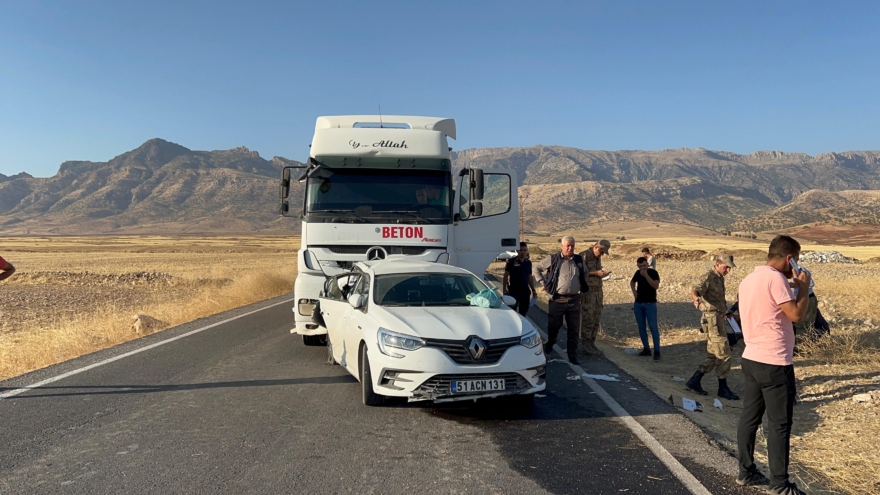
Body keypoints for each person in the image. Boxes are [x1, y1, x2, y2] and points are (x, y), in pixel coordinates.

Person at [735, 235, 811, 495]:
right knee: (779, 425)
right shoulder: (776, 279)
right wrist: (803, 287)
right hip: (775, 361)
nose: (796, 267)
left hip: (751, 357)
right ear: (789, 258)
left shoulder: (749, 279)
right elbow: (797, 315)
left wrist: (792, 284)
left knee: (749, 417)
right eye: (796, 261)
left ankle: (745, 472)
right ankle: (779, 484)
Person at [685, 253, 740, 401]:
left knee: (713, 354)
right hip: (712, 320)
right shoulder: (708, 276)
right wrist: (696, 298)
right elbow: (696, 289)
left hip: (719, 317)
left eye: (729, 268)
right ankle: (723, 388)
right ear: (717, 264)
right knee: (724, 352)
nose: (728, 270)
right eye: (726, 267)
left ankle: (694, 380)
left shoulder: (719, 278)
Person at [533, 236, 589, 365]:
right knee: (554, 325)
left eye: (572, 246)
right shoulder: (553, 259)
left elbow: (585, 272)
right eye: (568, 246)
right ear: (562, 246)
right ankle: (550, 344)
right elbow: (536, 269)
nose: (570, 248)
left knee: (574, 329)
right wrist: (543, 283)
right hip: (557, 300)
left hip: (574, 300)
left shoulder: (578, 260)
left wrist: (582, 283)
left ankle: (572, 355)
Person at [579, 240, 611, 356]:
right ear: (596, 247)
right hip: (588, 293)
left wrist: (602, 274)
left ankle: (592, 343)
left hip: (598, 292)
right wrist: (596, 273)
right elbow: (579, 273)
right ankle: (585, 346)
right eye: (601, 251)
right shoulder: (584, 256)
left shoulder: (597, 257)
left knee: (596, 319)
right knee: (588, 319)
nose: (602, 254)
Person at [630, 256, 661, 360]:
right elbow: (632, 282)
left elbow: (655, 286)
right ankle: (646, 349)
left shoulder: (653, 273)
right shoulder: (637, 273)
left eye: (644, 265)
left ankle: (657, 351)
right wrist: (634, 292)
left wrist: (646, 275)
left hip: (650, 304)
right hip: (639, 304)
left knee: (653, 327)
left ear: (647, 264)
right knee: (641, 327)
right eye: (640, 266)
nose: (642, 268)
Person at [502, 242, 536, 317]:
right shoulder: (511, 261)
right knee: (512, 311)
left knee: (523, 312)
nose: (523, 252)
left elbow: (530, 276)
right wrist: (504, 289)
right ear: (517, 250)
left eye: (524, 250)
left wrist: (533, 289)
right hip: (514, 291)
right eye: (521, 250)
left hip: (525, 291)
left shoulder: (528, 263)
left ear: (527, 250)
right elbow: (506, 276)